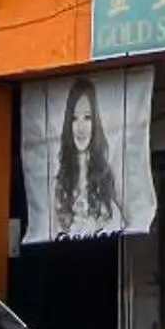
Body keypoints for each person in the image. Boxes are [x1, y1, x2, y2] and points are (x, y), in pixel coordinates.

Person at [55, 78, 124, 237]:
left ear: (95, 122)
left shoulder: (108, 176)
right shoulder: (61, 183)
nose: (80, 128)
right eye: (74, 118)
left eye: (87, 117)